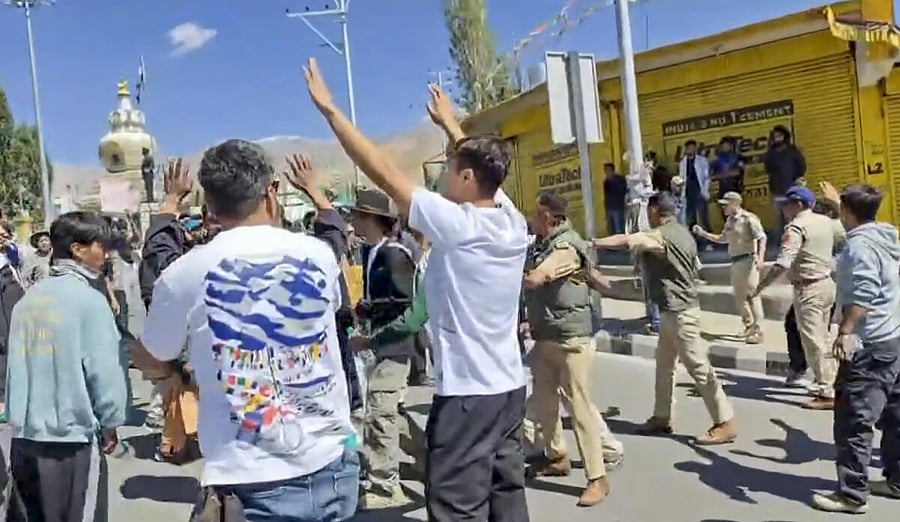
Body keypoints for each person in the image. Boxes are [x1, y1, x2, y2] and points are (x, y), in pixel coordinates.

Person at [304, 58, 530, 521]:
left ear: (468, 178)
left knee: (455, 507)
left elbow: (384, 171)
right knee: (506, 497)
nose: (445, 178)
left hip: (469, 397)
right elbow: (482, 164)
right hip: (509, 390)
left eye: (451, 170)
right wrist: (450, 124)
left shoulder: (460, 225)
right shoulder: (510, 218)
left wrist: (331, 113)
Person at [136, 140, 358, 521]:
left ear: (209, 205)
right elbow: (334, 231)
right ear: (271, 192)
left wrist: (170, 204)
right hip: (333, 465)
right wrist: (316, 193)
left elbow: (154, 352)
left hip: (251, 478)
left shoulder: (186, 273)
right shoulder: (317, 256)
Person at [5, 211, 127, 522]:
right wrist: (110, 421)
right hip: (72, 443)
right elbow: (104, 371)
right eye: (101, 245)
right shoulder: (89, 302)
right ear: (78, 249)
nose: (107, 253)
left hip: (24, 439)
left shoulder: (26, 302)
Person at [594, 192, 737, 444]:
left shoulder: (660, 235)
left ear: (654, 211)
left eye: (647, 212)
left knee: (698, 366)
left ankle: (724, 421)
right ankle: (662, 416)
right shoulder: (683, 233)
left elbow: (628, 240)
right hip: (673, 310)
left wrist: (595, 242)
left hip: (680, 312)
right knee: (665, 366)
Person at [522, 191, 620, 506]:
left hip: (571, 340)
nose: (533, 219)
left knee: (579, 409)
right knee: (544, 403)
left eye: (537, 214)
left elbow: (538, 278)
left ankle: (597, 477)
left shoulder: (565, 247)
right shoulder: (544, 243)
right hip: (548, 336)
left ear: (551, 217)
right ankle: (556, 457)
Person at [811, 184, 900, 513]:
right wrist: (841, 203)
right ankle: (896, 481)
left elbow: (863, 292)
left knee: (852, 421)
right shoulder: (886, 235)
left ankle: (851, 495)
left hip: (868, 344)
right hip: (892, 340)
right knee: (894, 416)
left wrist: (846, 331)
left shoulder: (858, 248)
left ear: (848, 213)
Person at [349, 187, 417, 511]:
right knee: (389, 412)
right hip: (378, 342)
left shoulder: (394, 254)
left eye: (358, 217)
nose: (354, 224)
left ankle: (385, 484)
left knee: (380, 412)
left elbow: (407, 302)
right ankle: (433, 461)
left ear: (371, 218)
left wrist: (371, 309)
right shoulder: (370, 252)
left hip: (396, 343)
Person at [756, 185, 843, 410]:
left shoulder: (796, 228)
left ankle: (826, 391)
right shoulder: (826, 222)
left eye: (787, 204)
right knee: (824, 338)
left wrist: (761, 286)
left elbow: (783, 263)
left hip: (808, 289)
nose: (784, 208)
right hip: (827, 285)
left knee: (813, 341)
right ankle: (829, 381)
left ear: (799, 204)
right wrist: (837, 205)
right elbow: (849, 230)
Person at [693, 192, 766, 344]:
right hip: (735, 261)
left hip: (748, 260)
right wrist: (704, 234)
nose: (723, 207)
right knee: (740, 298)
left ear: (735, 203)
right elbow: (722, 239)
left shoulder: (748, 219)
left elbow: (761, 237)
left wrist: (760, 257)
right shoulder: (730, 222)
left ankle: (758, 331)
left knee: (752, 295)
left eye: (726, 204)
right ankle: (748, 326)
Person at [764, 125, 806, 241]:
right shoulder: (771, 153)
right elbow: (768, 168)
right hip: (777, 189)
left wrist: (798, 180)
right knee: (780, 216)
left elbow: (801, 166)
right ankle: (783, 240)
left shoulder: (792, 150)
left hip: (792, 188)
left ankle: (797, 238)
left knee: (794, 215)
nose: (777, 138)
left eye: (779, 135)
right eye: (775, 136)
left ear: (784, 136)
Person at [678, 139, 712, 249]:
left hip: (699, 192)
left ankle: (709, 242)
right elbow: (682, 177)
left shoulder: (702, 161)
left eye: (692, 148)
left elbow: (706, 178)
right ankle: (695, 243)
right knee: (691, 219)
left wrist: (705, 191)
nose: (690, 150)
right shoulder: (682, 162)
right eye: (688, 148)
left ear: (696, 149)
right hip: (688, 193)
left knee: (703, 218)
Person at [603, 163, 627, 235]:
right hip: (609, 208)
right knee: (611, 229)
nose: (606, 172)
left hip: (618, 207)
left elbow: (623, 191)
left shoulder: (620, 179)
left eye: (607, 170)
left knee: (618, 228)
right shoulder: (606, 181)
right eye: (605, 170)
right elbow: (606, 195)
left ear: (612, 170)